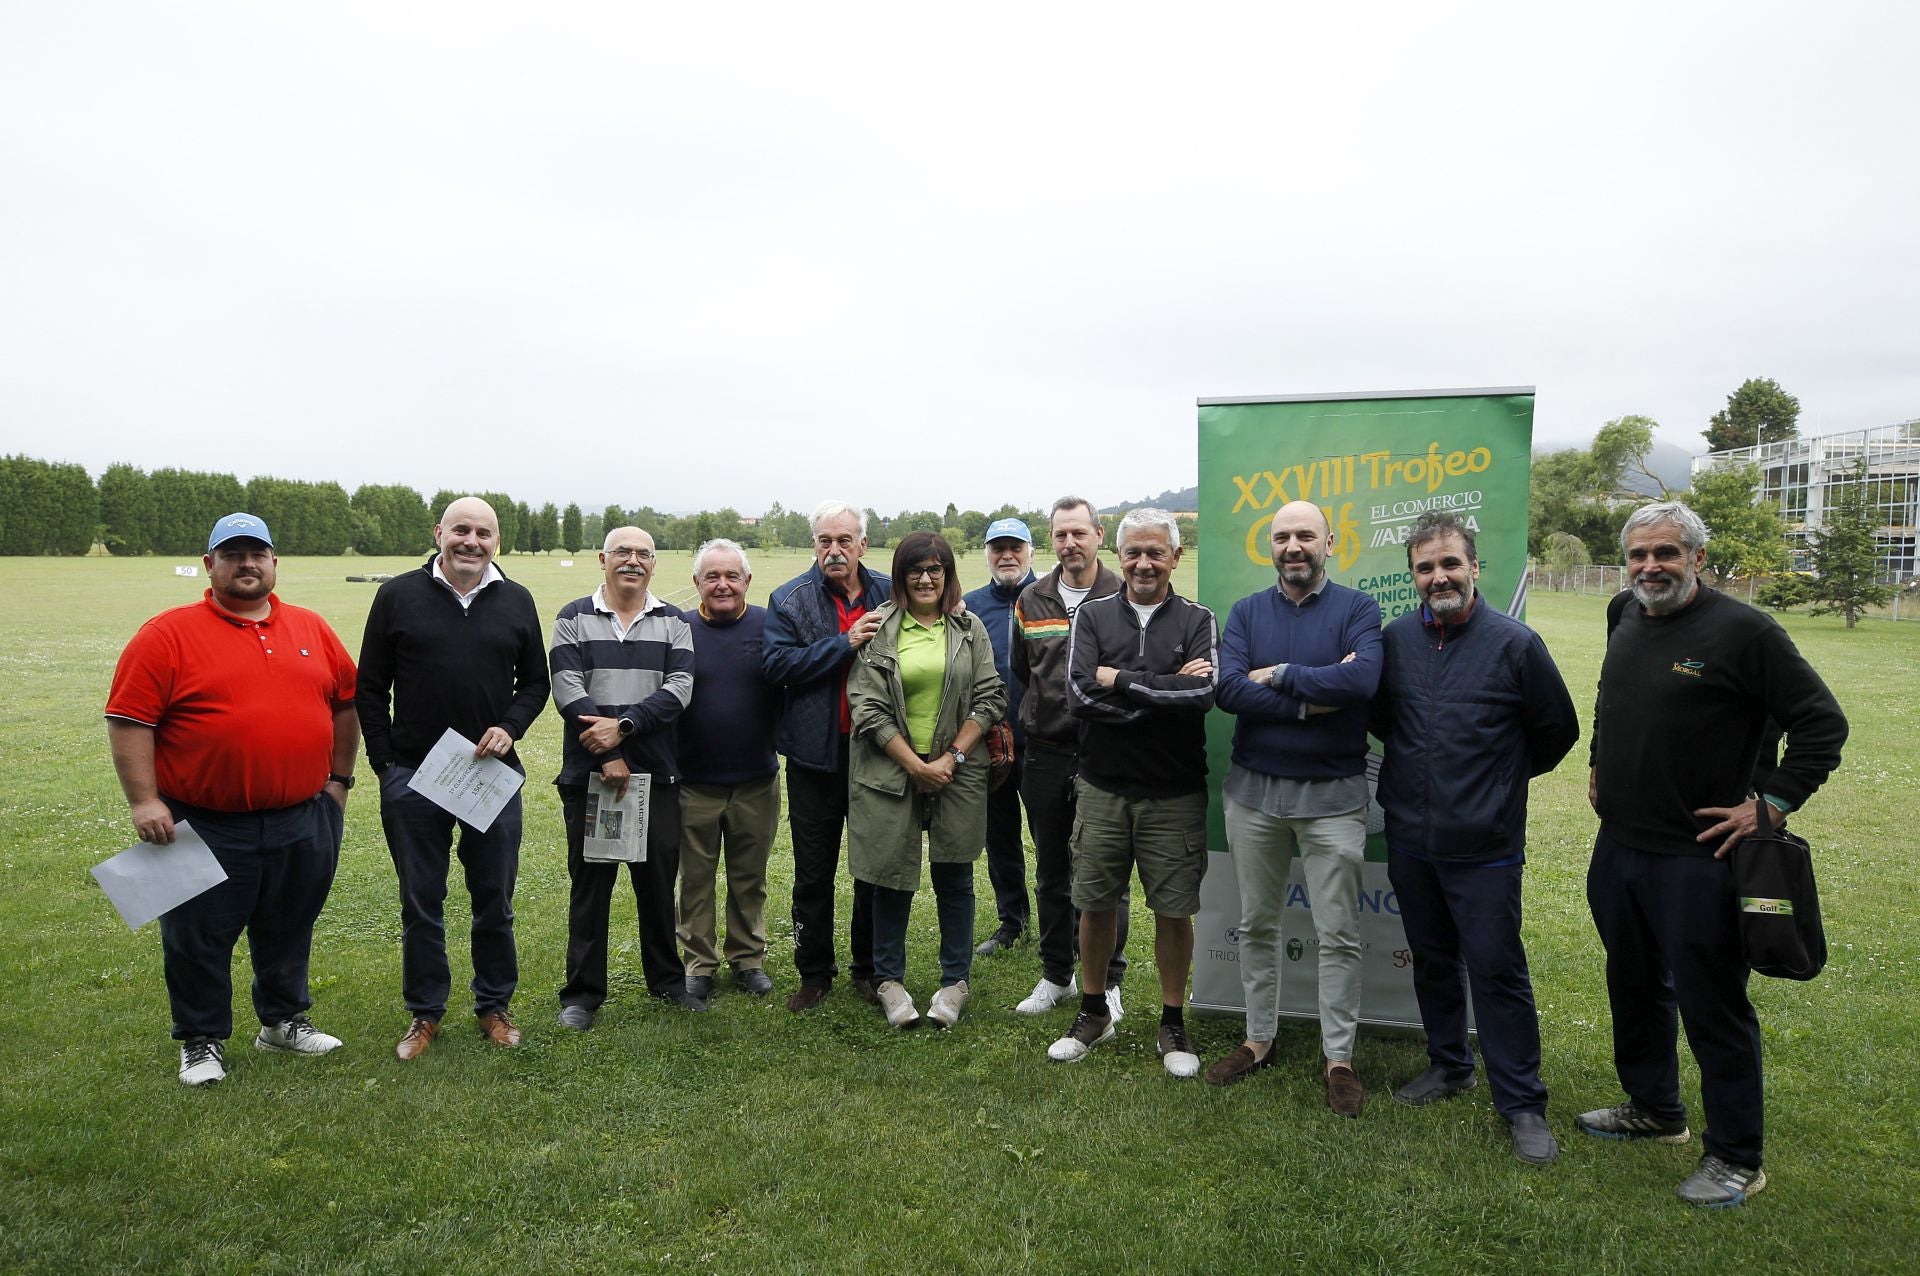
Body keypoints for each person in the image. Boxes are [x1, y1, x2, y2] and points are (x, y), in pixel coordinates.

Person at [1582, 500, 1847, 1207]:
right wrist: (1599, 761)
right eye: (1639, 555)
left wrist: (1771, 804)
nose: (1650, 567)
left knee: (1712, 1005)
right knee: (1633, 984)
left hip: (1699, 859)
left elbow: (1823, 725)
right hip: (1621, 848)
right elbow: (1611, 697)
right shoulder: (1623, 613)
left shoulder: (1746, 632)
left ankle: (1736, 1155)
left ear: (1698, 557)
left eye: (1666, 553)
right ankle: (1655, 1108)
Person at [105, 513, 359, 1085]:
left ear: (274, 562)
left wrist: (339, 780)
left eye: (257, 553)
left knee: (289, 923)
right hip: (201, 821)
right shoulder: (166, 634)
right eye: (233, 554)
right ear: (210, 564)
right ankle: (200, 1040)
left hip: (302, 815)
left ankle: (282, 1020)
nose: (247, 564)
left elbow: (346, 703)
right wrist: (144, 801)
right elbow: (128, 721)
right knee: (197, 935)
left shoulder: (311, 628)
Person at [1370, 511, 1578, 1163]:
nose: (1439, 577)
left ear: (1474, 568)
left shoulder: (1517, 645)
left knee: (1496, 970)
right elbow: (1383, 721)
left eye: (1450, 563)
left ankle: (1521, 1103)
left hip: (1485, 847)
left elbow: (1558, 732)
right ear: (1412, 577)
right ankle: (1449, 1063)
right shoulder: (1395, 641)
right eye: (1426, 568)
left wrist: (1498, 782)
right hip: (1410, 839)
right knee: (1432, 961)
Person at [357, 496, 550, 1059]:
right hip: (416, 776)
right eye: (460, 530)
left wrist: (510, 728)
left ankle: (493, 1006)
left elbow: (535, 683)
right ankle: (425, 1013)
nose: (471, 541)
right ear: (439, 532)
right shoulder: (397, 595)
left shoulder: (516, 599)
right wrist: (386, 766)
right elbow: (369, 687)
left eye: (483, 533)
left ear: (497, 541)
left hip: (490, 776)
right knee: (422, 900)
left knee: (495, 897)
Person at [1205, 500, 1382, 1114]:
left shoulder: (1358, 608)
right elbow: (1228, 690)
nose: (1293, 546)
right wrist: (1313, 698)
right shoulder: (1248, 612)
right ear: (1270, 547)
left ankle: (1339, 1057)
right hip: (1254, 795)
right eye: (1282, 537)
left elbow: (1362, 685)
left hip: (1334, 799)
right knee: (1256, 924)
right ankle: (1259, 1040)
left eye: (1305, 535)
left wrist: (1276, 674)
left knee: (1337, 932)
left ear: (1330, 542)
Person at [1052, 508, 1217, 1076]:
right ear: (1118, 556)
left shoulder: (1198, 619)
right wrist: (1163, 690)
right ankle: (1094, 1011)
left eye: (1156, 552)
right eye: (1133, 553)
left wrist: (1120, 680)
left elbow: (1200, 699)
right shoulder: (1093, 616)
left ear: (1176, 556)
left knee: (1174, 910)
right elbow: (1077, 698)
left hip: (1174, 793)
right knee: (1094, 903)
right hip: (1102, 787)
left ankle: (1172, 1022)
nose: (1144, 563)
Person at [846, 533, 1006, 1028]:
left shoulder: (968, 626)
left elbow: (990, 695)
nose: (925, 578)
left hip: (956, 771)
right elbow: (865, 707)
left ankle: (954, 981)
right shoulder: (877, 628)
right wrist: (915, 765)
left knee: (954, 875)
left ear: (949, 574)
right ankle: (888, 980)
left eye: (936, 569)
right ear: (900, 575)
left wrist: (952, 757)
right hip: (890, 770)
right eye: (915, 569)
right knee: (890, 878)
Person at [550, 526, 702, 1025]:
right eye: (623, 552)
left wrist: (625, 728)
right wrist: (606, 754)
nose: (633, 560)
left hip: (656, 777)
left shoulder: (674, 622)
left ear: (654, 565)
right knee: (591, 886)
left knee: (657, 885)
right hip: (591, 777)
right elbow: (567, 687)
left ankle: (666, 983)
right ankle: (581, 995)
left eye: (643, 554)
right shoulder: (573, 617)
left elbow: (679, 689)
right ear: (603, 558)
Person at [763, 500, 892, 1012]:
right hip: (815, 757)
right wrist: (844, 643)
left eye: (844, 540)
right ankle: (814, 973)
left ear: (862, 543)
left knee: (872, 866)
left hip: (878, 752)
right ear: (814, 544)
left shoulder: (889, 590)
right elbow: (776, 665)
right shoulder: (789, 598)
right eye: (824, 541)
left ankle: (869, 970)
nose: (834, 550)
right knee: (813, 872)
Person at [1008, 496, 1131, 1019]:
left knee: (1106, 873)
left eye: (1079, 533)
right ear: (1051, 539)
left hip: (1107, 752)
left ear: (1099, 535)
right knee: (1052, 869)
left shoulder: (1126, 593)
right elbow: (1023, 671)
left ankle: (1108, 981)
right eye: (1060, 535)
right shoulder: (1030, 599)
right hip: (1046, 754)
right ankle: (1056, 974)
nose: (1070, 543)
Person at [677, 538, 781, 1000]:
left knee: (748, 877)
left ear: (747, 581)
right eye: (712, 576)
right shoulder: (676, 629)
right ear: (696, 582)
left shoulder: (769, 625)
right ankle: (698, 964)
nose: (722, 585)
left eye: (731, 576)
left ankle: (747, 959)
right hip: (692, 781)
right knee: (695, 880)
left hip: (756, 779)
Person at [961, 517, 1037, 957]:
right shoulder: (969, 608)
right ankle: (1012, 921)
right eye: (997, 548)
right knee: (1001, 838)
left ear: (1030, 550)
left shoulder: (1049, 598)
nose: (1006, 555)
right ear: (987, 554)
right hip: (990, 745)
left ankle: (1064, 923)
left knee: (1053, 840)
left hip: (1045, 744)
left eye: (1015, 547)